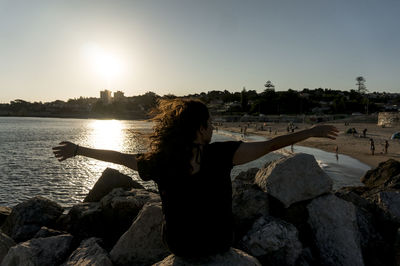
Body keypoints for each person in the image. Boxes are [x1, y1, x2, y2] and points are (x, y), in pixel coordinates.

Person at [52, 99, 338, 258]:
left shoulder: (161, 160)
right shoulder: (222, 154)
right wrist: (310, 132)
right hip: (218, 242)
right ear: (200, 129)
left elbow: (118, 157)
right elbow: (270, 145)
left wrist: (79, 150)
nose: (213, 129)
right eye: (210, 124)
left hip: (179, 245)